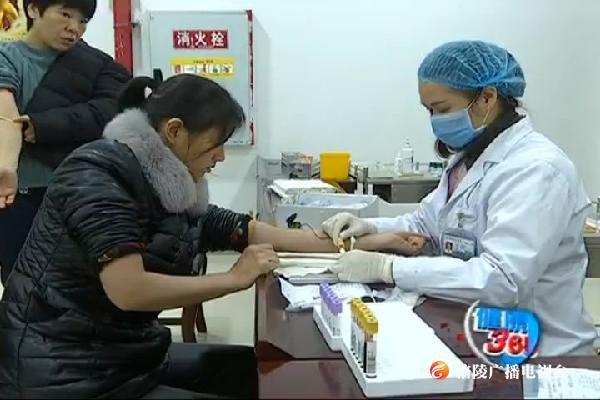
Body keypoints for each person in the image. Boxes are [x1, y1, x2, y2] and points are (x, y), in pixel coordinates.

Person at [0, 73, 427, 399]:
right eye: (217, 143)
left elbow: (248, 230)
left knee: (253, 369)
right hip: (62, 371)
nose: (222, 156)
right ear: (174, 130)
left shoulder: (166, 181)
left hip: (123, 353)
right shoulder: (97, 174)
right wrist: (233, 279)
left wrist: (375, 241)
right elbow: (128, 290)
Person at [322, 41, 597, 357]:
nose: (435, 121)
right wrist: (369, 225)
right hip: (478, 337)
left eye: (442, 110)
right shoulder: (468, 159)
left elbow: (502, 280)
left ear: (488, 97)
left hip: (541, 353)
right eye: (429, 111)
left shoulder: (537, 170)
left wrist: (388, 268)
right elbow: (425, 223)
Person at [0, 0, 130, 284]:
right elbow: (5, 115)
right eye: (65, 15)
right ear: (33, 10)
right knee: (20, 285)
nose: (74, 28)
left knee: (79, 285)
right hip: (19, 196)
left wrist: (44, 126)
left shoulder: (99, 65)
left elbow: (108, 111)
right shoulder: (6, 56)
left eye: (83, 21)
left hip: (79, 194)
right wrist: (6, 166)